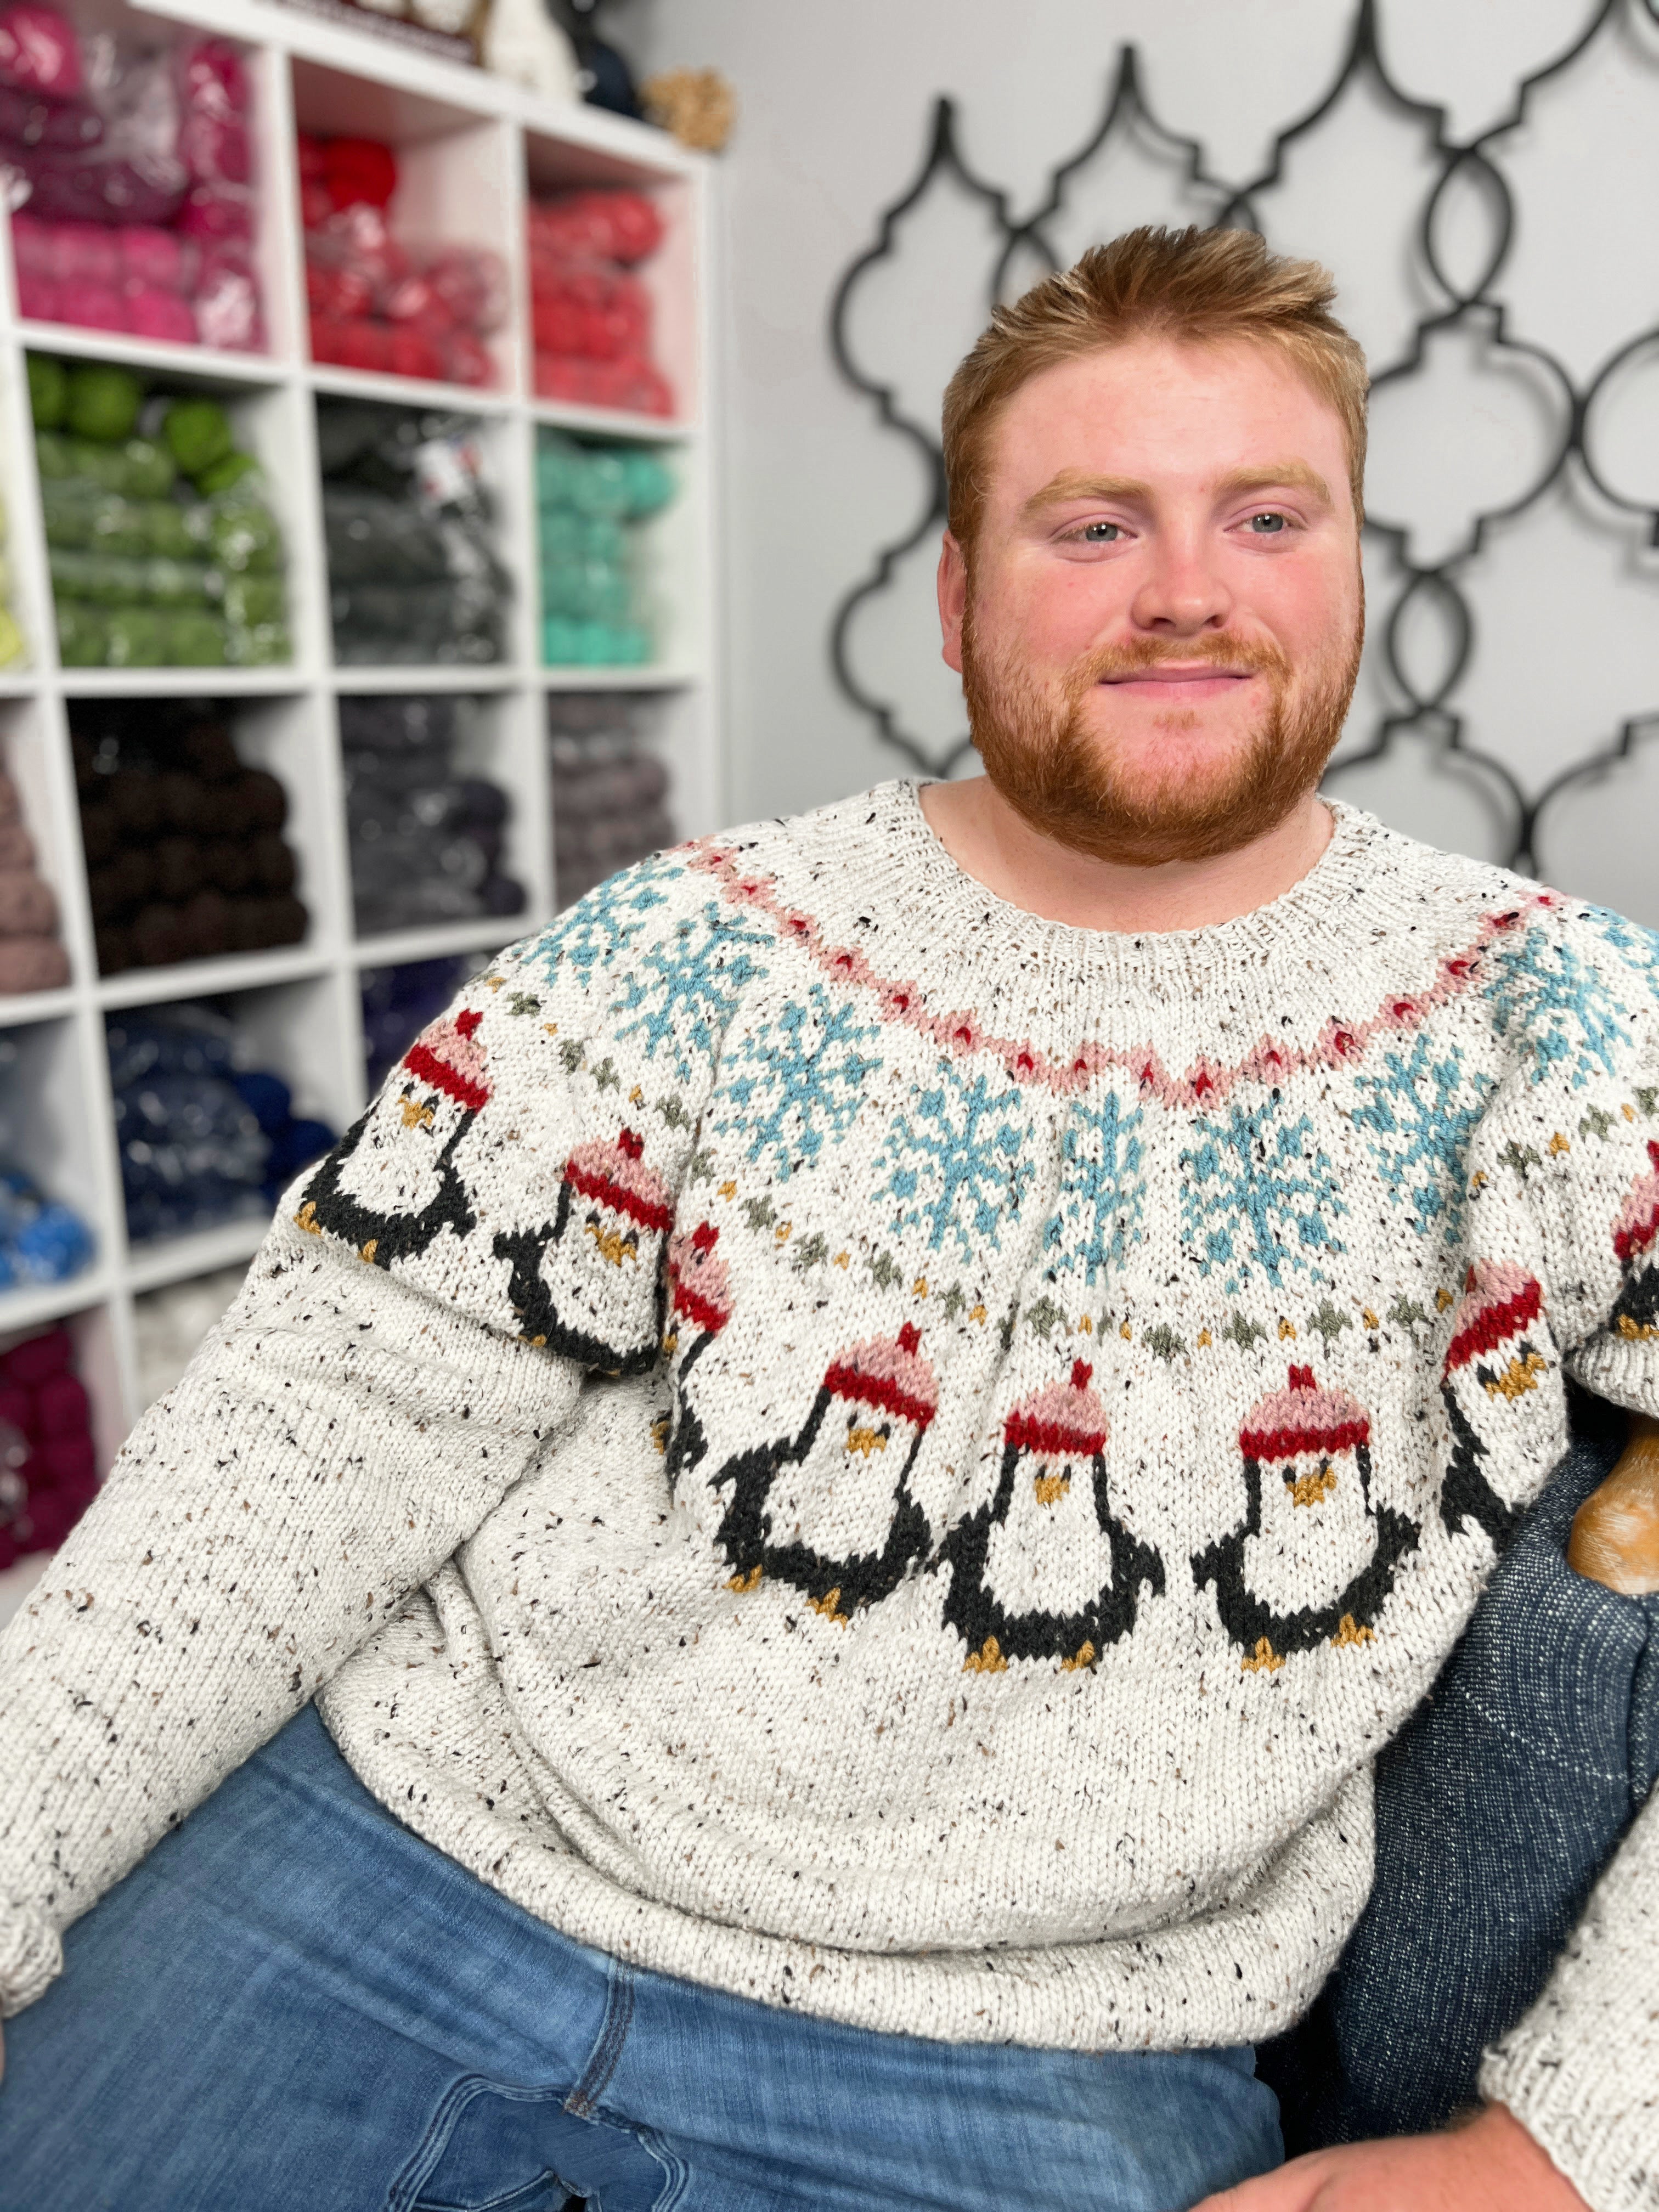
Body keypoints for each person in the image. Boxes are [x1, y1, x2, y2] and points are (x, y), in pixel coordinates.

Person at [1, 225, 1655, 2212]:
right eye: (1094, 525)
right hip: (385, 1875)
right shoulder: (700, 944)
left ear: (1356, 568)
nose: (1191, 593)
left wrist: (1564, 2149)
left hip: (1032, 2064)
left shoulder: (1566, 1036)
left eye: (1267, 516)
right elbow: (298, 1444)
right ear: (959, 602)